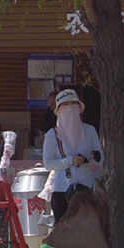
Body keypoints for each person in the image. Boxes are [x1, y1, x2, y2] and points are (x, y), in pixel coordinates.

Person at [41, 89, 103, 222]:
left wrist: (94, 158)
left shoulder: (90, 131)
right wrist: (70, 161)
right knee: (62, 235)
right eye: (65, 106)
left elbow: (100, 159)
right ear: (58, 111)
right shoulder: (52, 135)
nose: (70, 109)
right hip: (61, 191)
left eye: (73, 105)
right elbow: (48, 163)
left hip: (86, 190)